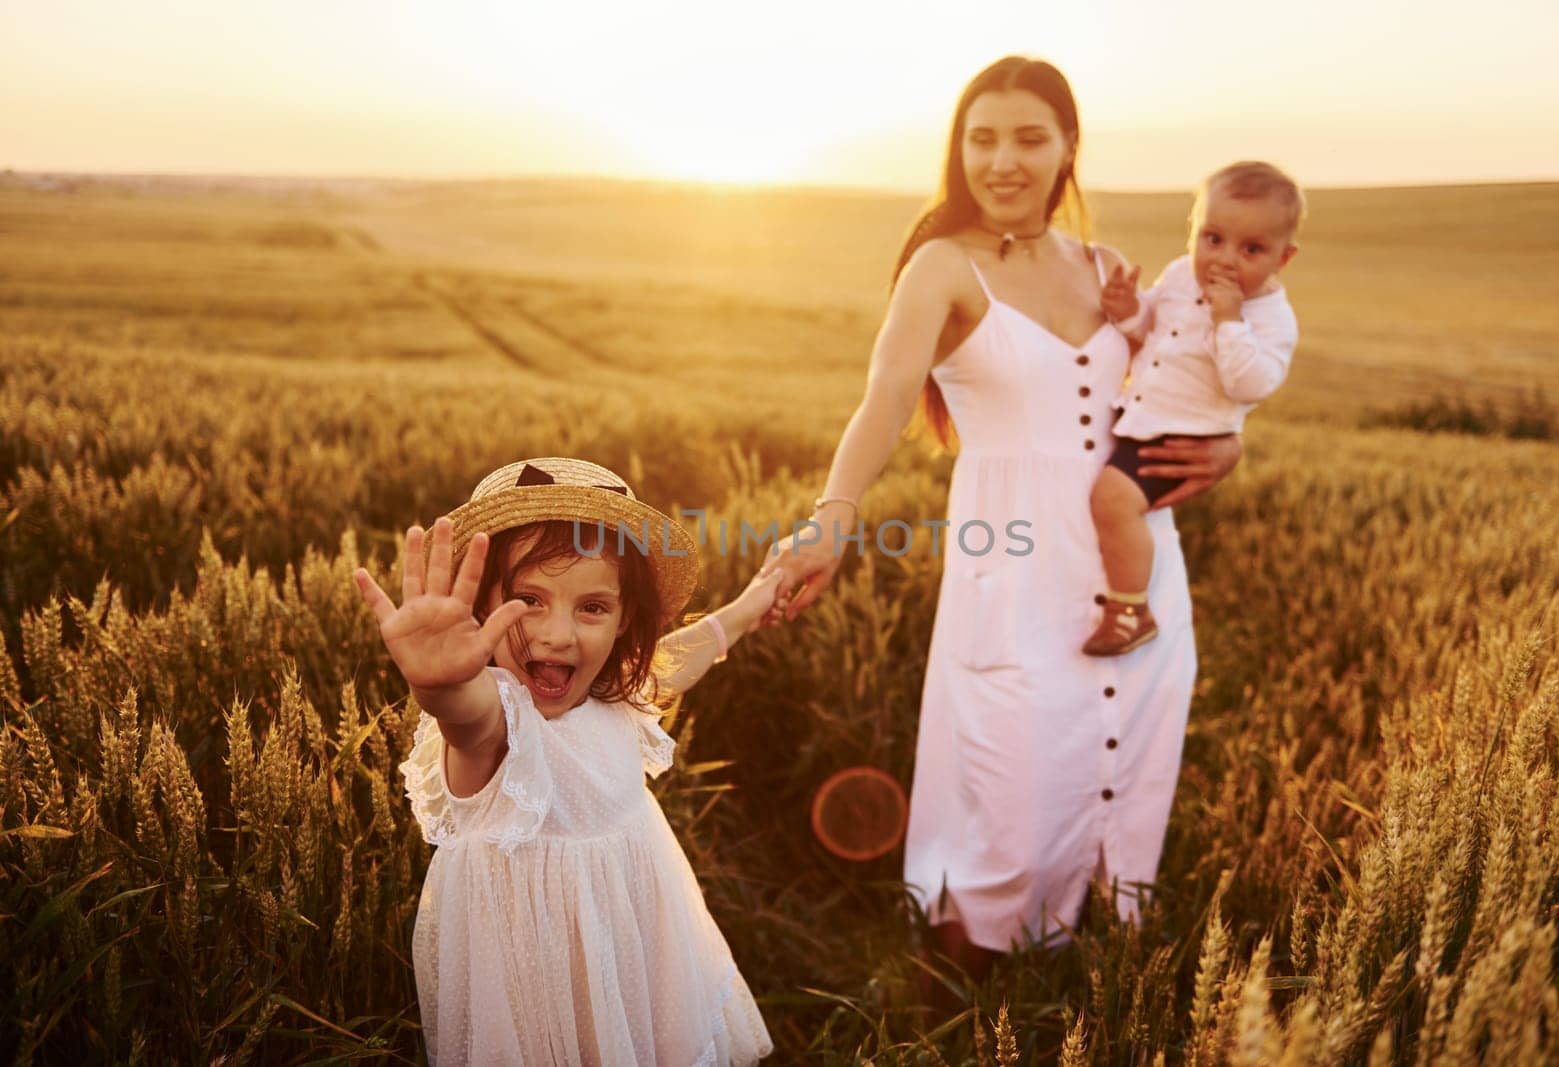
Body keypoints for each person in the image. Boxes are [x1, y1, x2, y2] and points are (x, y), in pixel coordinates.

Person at [758, 56, 1243, 981]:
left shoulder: (1107, 271)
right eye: (982, 138)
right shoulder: (944, 265)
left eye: (1029, 137)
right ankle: (957, 1005)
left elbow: (1184, 384)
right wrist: (833, 515)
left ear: (1067, 148)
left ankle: (1086, 989)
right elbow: (886, 400)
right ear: (958, 149)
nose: (1003, 159)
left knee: (1122, 772)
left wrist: (1228, 449)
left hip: (1132, 576)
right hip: (1012, 562)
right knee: (1008, 783)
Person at [353, 457, 776, 1066]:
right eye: (529, 599)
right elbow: (465, 720)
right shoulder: (498, 722)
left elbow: (676, 660)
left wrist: (750, 606)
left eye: (592, 607)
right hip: (534, 998)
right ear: (482, 606)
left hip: (637, 961)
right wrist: (438, 686)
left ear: (625, 617)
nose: (558, 634)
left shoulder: (613, 696)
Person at [1083, 161, 1302, 656]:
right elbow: (1150, 331)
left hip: (1182, 436)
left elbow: (1251, 386)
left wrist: (1229, 322)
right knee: (1108, 499)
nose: (1224, 259)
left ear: (1282, 259)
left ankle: (1129, 610)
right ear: (1193, 232)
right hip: (1140, 415)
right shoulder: (1181, 276)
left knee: (1113, 500)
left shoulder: (1271, 319)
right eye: (1213, 238)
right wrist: (1127, 309)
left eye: (1251, 250)